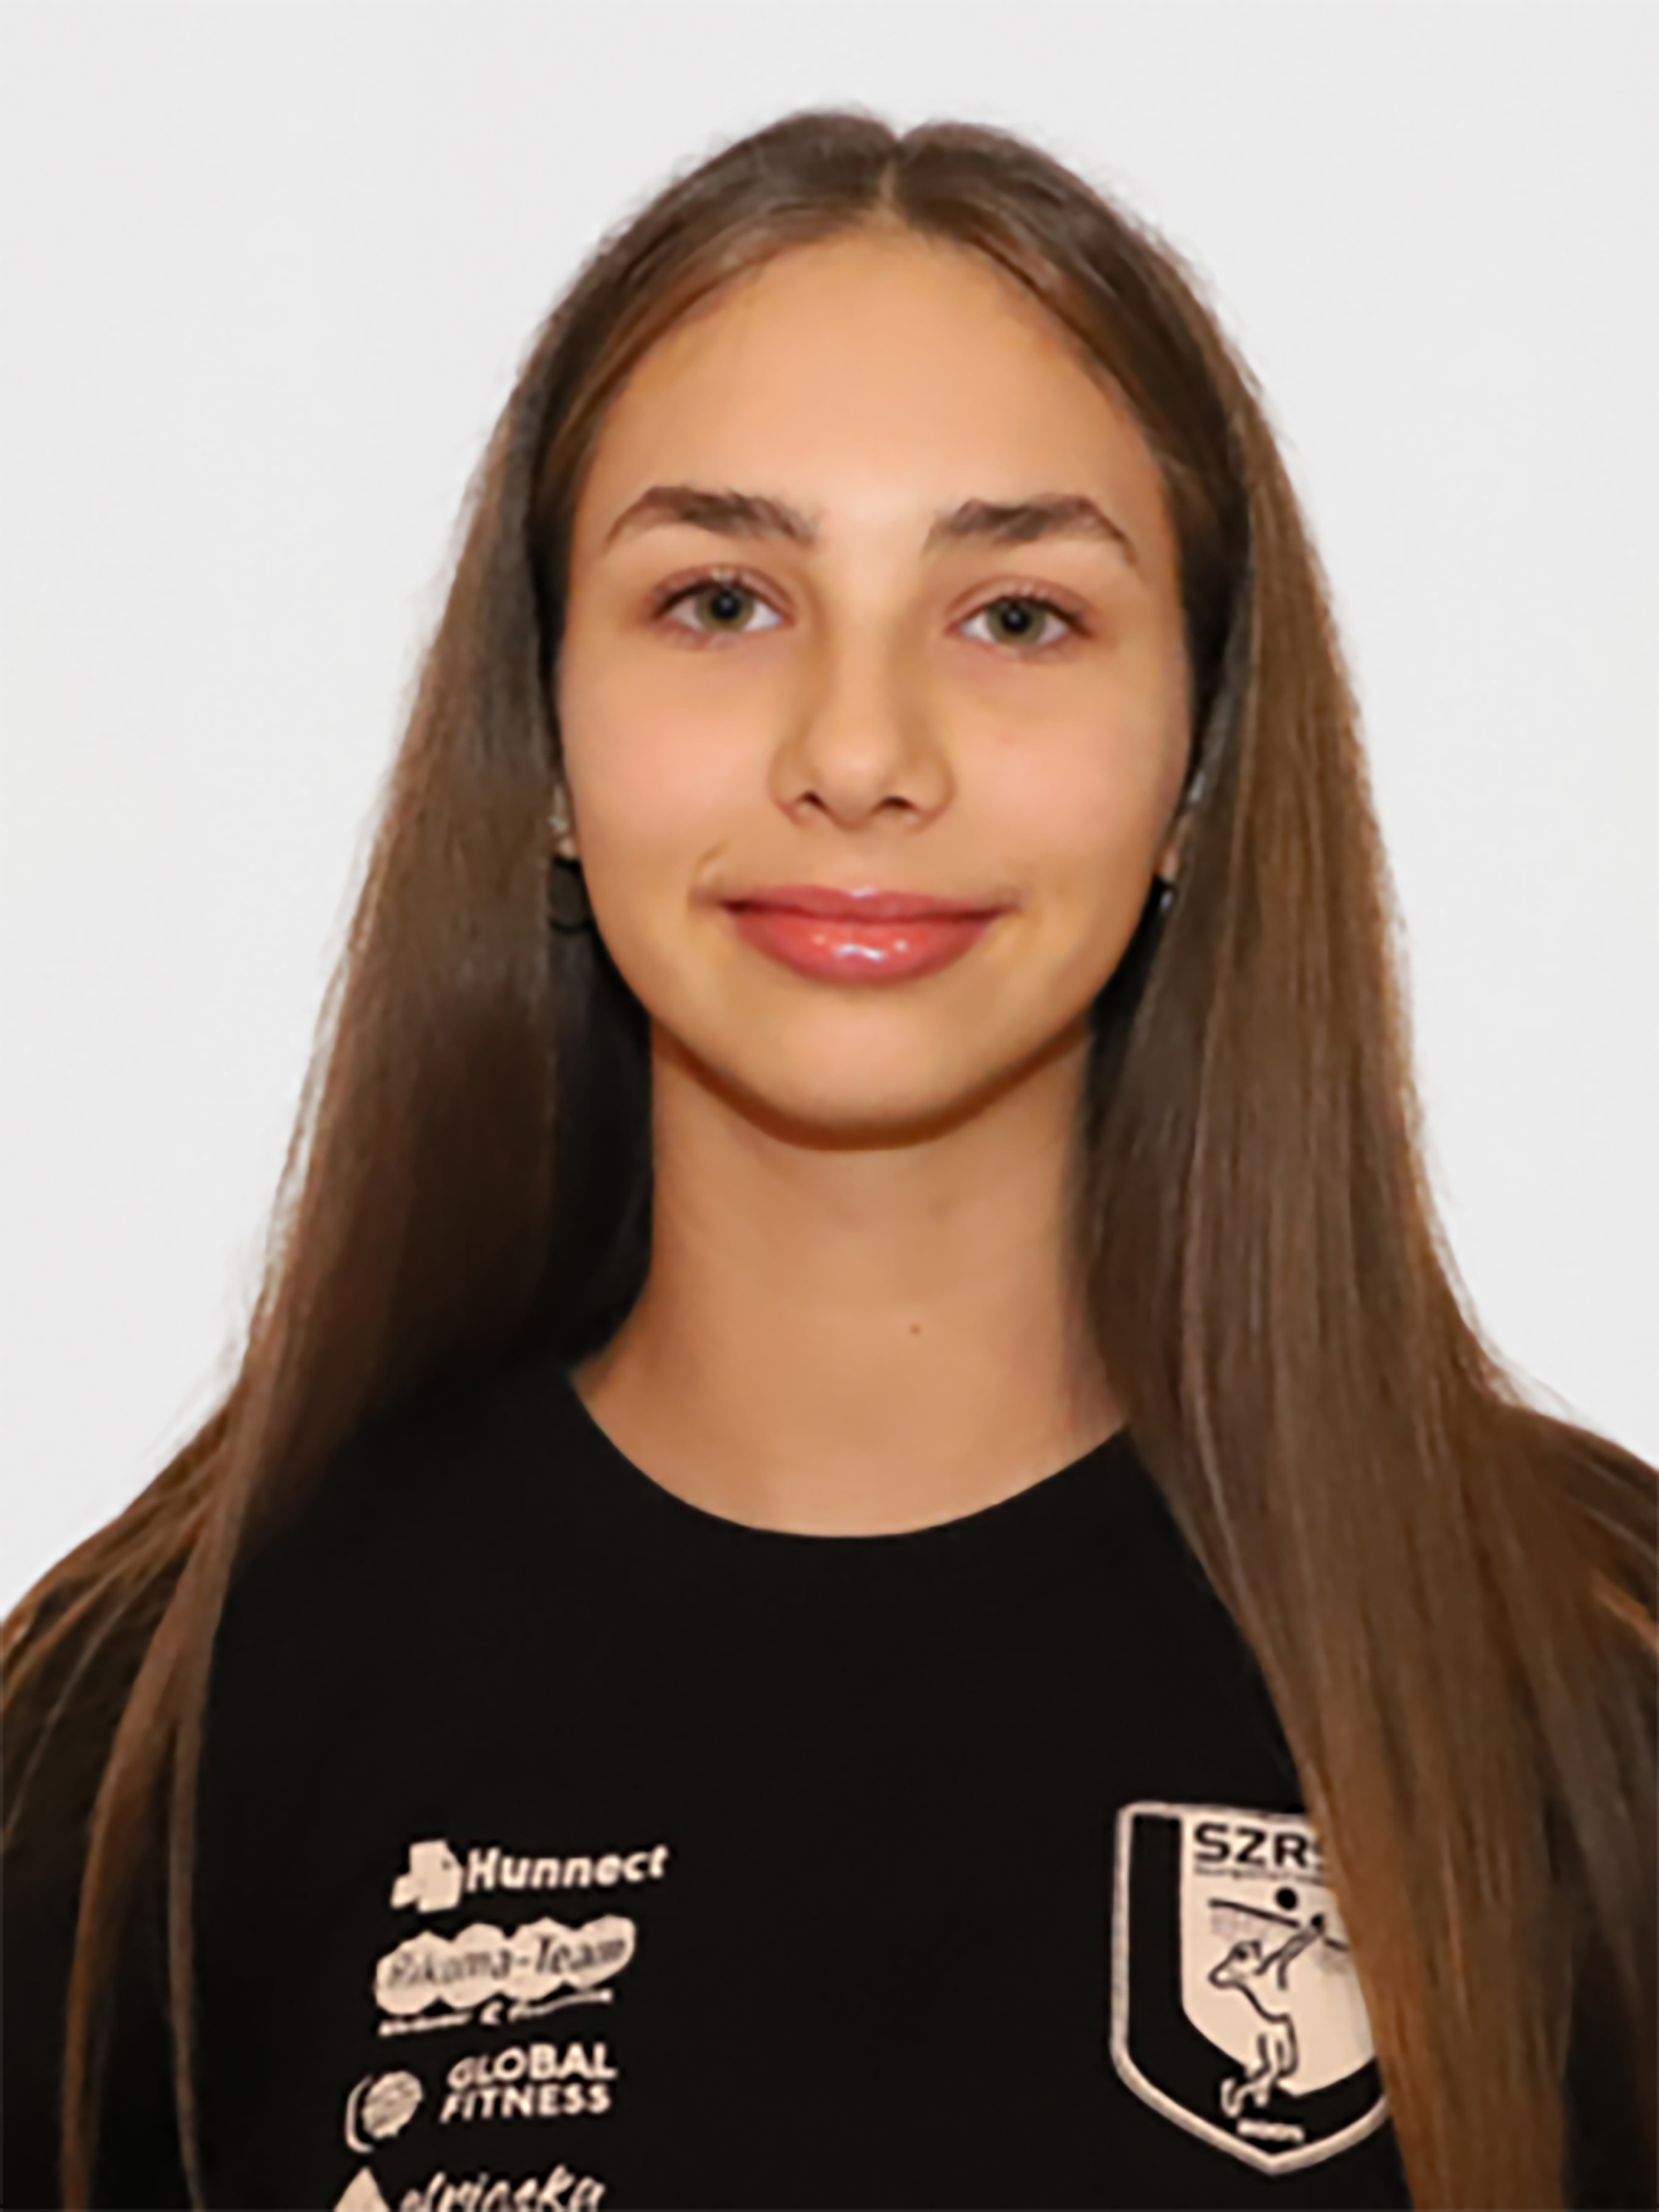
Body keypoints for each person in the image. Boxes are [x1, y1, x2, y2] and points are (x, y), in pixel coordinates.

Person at [2, 108, 1653, 2212]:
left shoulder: (1584, 1677)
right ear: (547, 741)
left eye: (1017, 616)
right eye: (719, 599)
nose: (860, 754)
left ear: (1197, 767)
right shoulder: (147, 1739)